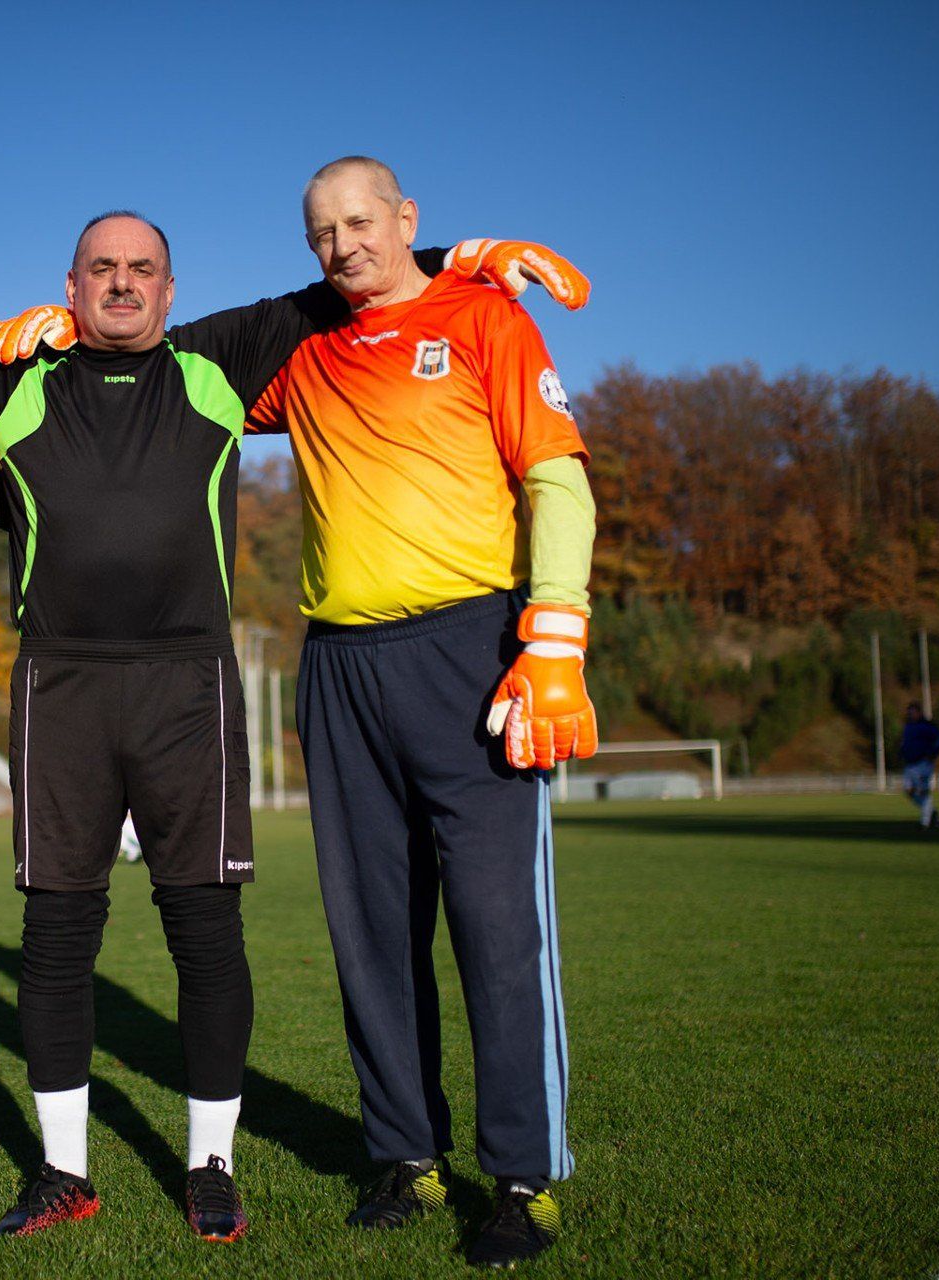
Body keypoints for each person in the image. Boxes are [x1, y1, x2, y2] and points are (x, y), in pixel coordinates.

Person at [0, 212, 581, 1245]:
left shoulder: (219, 360)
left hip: (190, 685)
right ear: (71, 283)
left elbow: (352, 278)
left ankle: (211, 1164)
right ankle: (63, 1169)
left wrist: (457, 254)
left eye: (143, 268)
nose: (123, 283)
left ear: (172, 289)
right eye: (102, 268)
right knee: (55, 931)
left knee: (205, 928)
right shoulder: (17, 380)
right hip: (60, 687)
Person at [243, 156, 595, 1268]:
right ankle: (404, 1154)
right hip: (341, 665)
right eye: (319, 233)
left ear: (407, 219)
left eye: (360, 223)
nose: (341, 245)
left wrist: (554, 638)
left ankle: (523, 1177)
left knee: (497, 930)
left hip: (471, 651)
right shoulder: (301, 352)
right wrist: (63, 335)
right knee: (372, 932)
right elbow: (170, 379)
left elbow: (558, 481)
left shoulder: (487, 317)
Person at [899, 702, 939, 827]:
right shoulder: (908, 726)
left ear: (919, 712)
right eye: (909, 713)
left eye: (912, 712)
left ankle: (925, 822)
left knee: (923, 791)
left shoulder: (926, 726)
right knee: (908, 790)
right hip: (910, 764)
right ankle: (931, 812)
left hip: (922, 763)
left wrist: (933, 753)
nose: (910, 715)